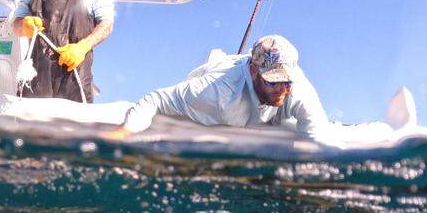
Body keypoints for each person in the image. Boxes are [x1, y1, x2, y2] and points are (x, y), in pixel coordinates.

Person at [104, 35, 329, 139]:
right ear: (254, 71)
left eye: (287, 80)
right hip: (219, 78)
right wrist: (125, 131)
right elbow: (156, 99)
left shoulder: (298, 90)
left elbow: (317, 137)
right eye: (273, 80)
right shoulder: (215, 92)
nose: (283, 89)